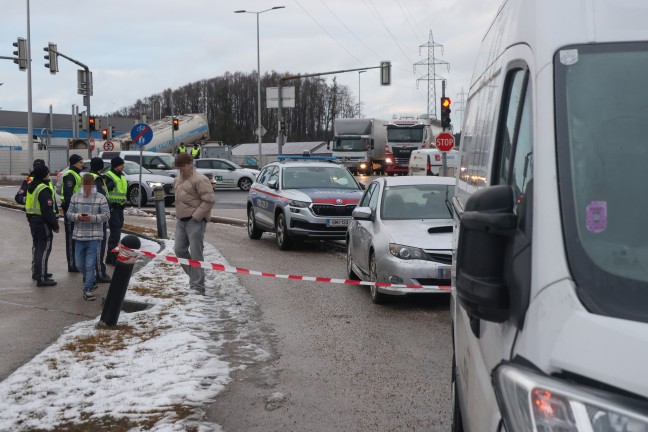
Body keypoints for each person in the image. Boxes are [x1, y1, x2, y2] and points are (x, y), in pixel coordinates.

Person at [173, 153, 214, 294]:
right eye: (178, 167)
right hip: (181, 220)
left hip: (195, 221)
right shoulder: (178, 179)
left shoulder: (200, 179)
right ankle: (195, 276)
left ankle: (198, 287)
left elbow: (209, 200)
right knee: (179, 249)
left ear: (189, 165)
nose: (180, 170)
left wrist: (197, 217)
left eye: (181, 167)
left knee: (196, 254)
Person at [67, 174, 110, 301]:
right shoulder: (75, 197)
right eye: (84, 185)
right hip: (79, 236)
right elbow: (69, 213)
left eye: (89, 185)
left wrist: (92, 217)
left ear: (93, 185)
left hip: (94, 237)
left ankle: (87, 289)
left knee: (90, 264)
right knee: (79, 264)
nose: (86, 189)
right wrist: (77, 217)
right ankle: (92, 281)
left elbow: (107, 215)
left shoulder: (101, 198)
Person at [26, 164, 60, 286]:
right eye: (48, 172)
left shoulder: (32, 186)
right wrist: (55, 226)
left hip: (33, 222)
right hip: (42, 223)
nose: (49, 174)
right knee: (44, 249)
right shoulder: (43, 189)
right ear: (43, 174)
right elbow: (47, 210)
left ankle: (37, 273)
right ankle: (42, 278)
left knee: (37, 248)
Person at [59, 154, 84, 272]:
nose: (82, 164)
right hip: (71, 211)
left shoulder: (76, 174)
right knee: (70, 239)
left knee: (75, 238)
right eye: (80, 162)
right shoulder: (70, 175)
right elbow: (68, 194)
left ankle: (75, 262)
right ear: (74, 163)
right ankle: (72, 264)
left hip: (76, 210)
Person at [88, 157, 111, 283]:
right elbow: (101, 198)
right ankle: (99, 273)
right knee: (99, 247)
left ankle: (89, 274)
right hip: (97, 217)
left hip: (89, 215)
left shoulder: (87, 177)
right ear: (100, 167)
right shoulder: (96, 179)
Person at [103, 156, 127, 265]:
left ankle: (110, 257)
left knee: (117, 233)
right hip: (112, 208)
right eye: (121, 164)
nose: (123, 166)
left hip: (120, 208)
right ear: (116, 165)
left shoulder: (121, 176)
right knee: (115, 234)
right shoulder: (108, 176)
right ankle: (112, 257)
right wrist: (108, 186)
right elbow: (104, 190)